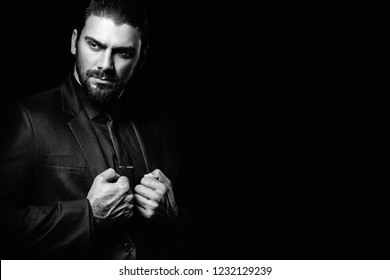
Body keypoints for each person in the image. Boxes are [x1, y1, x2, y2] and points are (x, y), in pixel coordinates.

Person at [0, 0, 199, 260]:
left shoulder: (163, 128)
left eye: (124, 52)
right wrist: (88, 215)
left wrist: (172, 218)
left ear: (141, 59)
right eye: (94, 45)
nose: (105, 64)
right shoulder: (26, 118)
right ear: (74, 43)